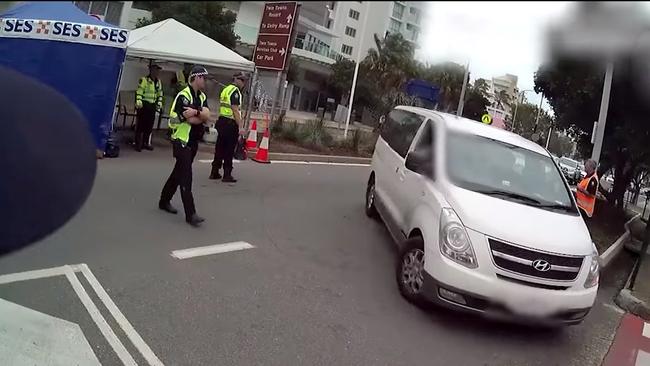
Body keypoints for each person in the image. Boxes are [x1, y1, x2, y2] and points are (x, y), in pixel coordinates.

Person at [159, 66, 210, 227]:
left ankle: (164, 200)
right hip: (181, 140)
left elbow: (207, 116)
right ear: (196, 78)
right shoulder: (184, 96)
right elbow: (189, 120)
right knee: (186, 176)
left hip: (193, 141)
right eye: (204, 77)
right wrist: (198, 116)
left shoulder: (201, 96)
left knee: (178, 173)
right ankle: (191, 214)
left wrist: (196, 113)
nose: (205, 81)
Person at [209, 72, 248, 183]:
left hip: (222, 121)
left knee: (219, 148)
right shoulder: (235, 92)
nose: (243, 83)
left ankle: (214, 171)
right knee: (229, 150)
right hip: (230, 124)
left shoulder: (226, 89)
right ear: (236, 80)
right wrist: (240, 126)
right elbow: (235, 109)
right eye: (242, 80)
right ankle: (227, 174)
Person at [134, 62, 163, 151]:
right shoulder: (144, 80)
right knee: (140, 126)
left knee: (149, 126)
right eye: (154, 70)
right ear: (150, 70)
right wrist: (138, 100)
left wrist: (159, 102)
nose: (156, 72)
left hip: (152, 105)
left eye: (157, 70)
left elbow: (160, 93)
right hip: (144, 105)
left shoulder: (158, 82)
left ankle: (146, 143)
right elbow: (139, 91)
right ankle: (138, 144)